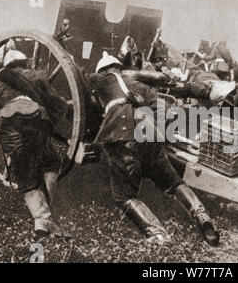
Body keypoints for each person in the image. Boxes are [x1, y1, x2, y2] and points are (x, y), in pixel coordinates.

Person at [86, 52, 219, 245]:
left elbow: (78, 75)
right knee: (172, 181)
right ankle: (202, 215)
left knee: (124, 195)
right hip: (150, 130)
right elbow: (160, 103)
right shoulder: (137, 81)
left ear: (103, 70)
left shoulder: (101, 79)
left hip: (123, 133)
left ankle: (159, 236)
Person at [0, 50, 70, 239]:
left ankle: (42, 220)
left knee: (25, 172)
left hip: (9, 127)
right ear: (24, 62)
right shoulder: (37, 76)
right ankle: (46, 220)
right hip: (37, 121)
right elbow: (58, 104)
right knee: (51, 162)